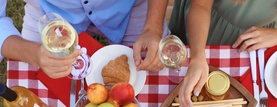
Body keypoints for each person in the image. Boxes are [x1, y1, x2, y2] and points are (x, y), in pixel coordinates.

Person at [0, 0, 169, 79]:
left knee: (154, 70)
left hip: (128, 6)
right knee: (39, 89)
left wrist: (152, 29)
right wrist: (35, 54)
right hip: (49, 13)